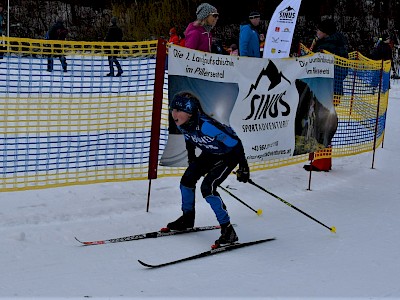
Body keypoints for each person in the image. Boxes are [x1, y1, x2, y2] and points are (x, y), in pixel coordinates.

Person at [166, 91, 250, 248]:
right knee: (186, 181)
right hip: (210, 153)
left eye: (178, 110)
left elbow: (235, 143)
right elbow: (189, 139)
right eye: (173, 109)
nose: (174, 114)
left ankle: (228, 230)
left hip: (228, 155)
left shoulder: (207, 126)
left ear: (190, 113)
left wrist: (243, 166)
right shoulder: (182, 123)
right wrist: (192, 158)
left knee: (208, 188)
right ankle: (187, 219)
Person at [303, 19, 348, 172]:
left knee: (321, 125)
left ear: (325, 32)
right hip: (335, 91)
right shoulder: (341, 45)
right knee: (326, 124)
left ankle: (320, 162)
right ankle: (322, 161)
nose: (317, 33)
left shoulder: (325, 48)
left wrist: (313, 49)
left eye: (319, 30)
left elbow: (313, 68)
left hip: (324, 91)